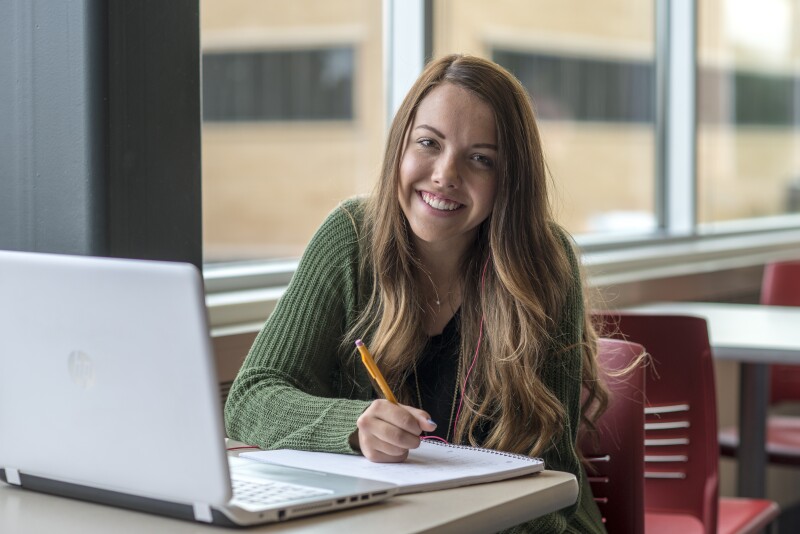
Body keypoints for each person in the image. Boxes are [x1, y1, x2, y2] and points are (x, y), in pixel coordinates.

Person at [224, 54, 608, 533]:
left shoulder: (544, 263)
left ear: (508, 180)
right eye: (429, 143)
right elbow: (251, 398)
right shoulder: (350, 238)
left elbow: (550, 482)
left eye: (480, 159)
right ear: (400, 148)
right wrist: (354, 424)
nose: (446, 174)